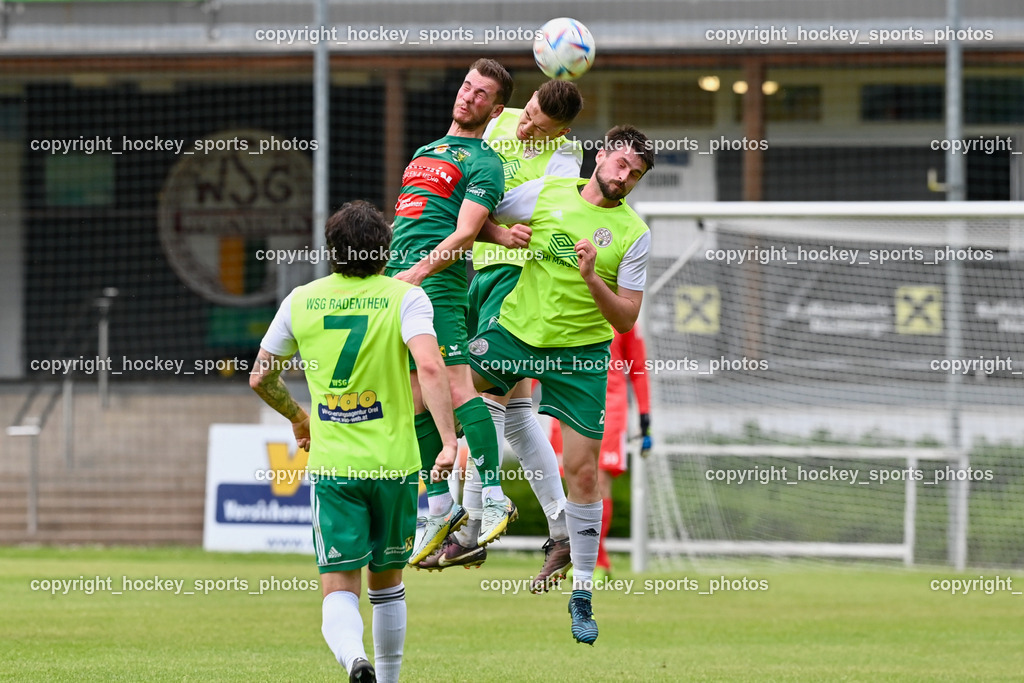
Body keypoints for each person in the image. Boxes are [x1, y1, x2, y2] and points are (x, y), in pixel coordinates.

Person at [250, 200, 458, 682]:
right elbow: (430, 367)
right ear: (387, 250)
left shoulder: (301, 299)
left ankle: (353, 659)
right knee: (387, 585)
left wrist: (300, 419)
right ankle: (385, 678)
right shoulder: (406, 296)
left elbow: (262, 377)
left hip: (335, 467)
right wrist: (447, 441)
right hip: (395, 465)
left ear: (331, 252)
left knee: (339, 586)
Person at [468, 125, 656, 644]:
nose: (625, 177)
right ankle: (474, 508)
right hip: (518, 332)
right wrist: (503, 236)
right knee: (450, 386)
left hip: (581, 354)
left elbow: (625, 321)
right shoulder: (549, 191)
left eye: (636, 174)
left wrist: (593, 277)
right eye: (621, 164)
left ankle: (581, 594)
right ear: (600, 154)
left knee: (584, 473)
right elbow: (479, 219)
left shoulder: (634, 234)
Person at [416, 80, 584, 588]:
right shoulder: (497, 118)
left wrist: (481, 208)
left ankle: (468, 528)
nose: (528, 125)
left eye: (541, 125)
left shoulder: (568, 155)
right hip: (480, 272)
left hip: (520, 278)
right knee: (516, 414)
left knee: (477, 391)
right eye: (528, 112)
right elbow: (473, 189)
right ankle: (561, 528)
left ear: (564, 131)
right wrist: (481, 209)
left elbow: (530, 205)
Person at [384, 58, 527, 564]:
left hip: (436, 282)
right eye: (467, 87)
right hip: (397, 281)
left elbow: (464, 232)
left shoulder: (485, 160)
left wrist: (419, 273)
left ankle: (493, 497)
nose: (469, 97)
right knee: (416, 399)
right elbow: (454, 215)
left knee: (458, 385)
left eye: (482, 93)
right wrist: (500, 231)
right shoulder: (426, 150)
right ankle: (440, 507)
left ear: (495, 108)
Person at [550, 327, 652, 582]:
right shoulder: (560, 304)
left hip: (609, 405)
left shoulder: (622, 313)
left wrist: (644, 416)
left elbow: (638, 367)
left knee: (596, 479)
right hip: (566, 400)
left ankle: (589, 560)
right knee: (572, 483)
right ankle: (597, 559)